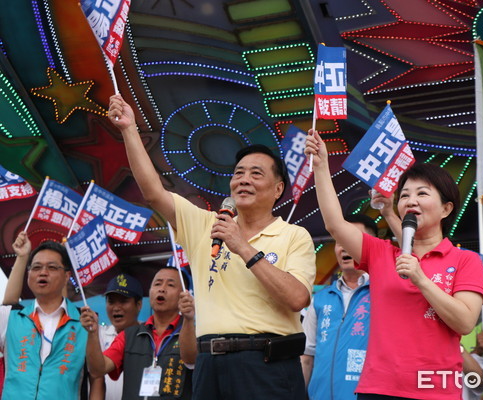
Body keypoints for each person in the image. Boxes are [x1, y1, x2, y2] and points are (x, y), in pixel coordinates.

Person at [108, 94, 316, 399]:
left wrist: (242, 246)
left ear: (278, 189)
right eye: (238, 173)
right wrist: (129, 130)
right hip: (210, 366)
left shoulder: (295, 236)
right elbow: (153, 192)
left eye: (256, 174)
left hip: (267, 367)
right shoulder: (205, 224)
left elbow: (297, 297)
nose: (243, 180)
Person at [305, 130, 483, 400]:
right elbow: (334, 224)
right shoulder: (381, 253)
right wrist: (320, 166)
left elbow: (464, 322)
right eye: (404, 195)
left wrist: (421, 279)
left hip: (434, 391)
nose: (411, 200)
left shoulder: (465, 260)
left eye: (422, 193)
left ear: (446, 209)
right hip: (378, 388)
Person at [81, 267, 194, 399]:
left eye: (170, 284)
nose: (162, 288)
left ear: (184, 295)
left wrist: (188, 319)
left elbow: (191, 358)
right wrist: (92, 333)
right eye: (157, 284)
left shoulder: (194, 334)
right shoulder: (129, 335)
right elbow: (98, 369)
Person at [0, 240, 93, 400]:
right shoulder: (12, 317)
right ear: (28, 275)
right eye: (36, 268)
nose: (43, 272)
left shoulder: (86, 322)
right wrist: (22, 257)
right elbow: (9, 302)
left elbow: (97, 378)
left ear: (67, 276)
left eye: (52, 267)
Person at [301, 213, 378, 400]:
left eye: (352, 238)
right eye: (339, 241)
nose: (345, 246)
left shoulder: (384, 295)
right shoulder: (319, 300)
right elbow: (306, 357)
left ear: (374, 244)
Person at [99, 273, 144, 400]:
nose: (116, 308)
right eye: (111, 302)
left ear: (139, 305)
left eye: (124, 301)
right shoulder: (96, 335)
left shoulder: (148, 336)